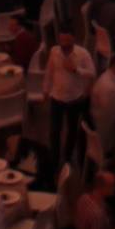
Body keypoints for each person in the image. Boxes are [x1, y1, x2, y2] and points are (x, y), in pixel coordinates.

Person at [45, 29, 96, 167]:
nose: (64, 44)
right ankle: (54, 161)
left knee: (72, 130)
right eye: (61, 41)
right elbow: (49, 71)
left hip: (74, 98)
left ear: (73, 40)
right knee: (54, 131)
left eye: (67, 41)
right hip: (57, 96)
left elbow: (92, 73)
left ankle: (67, 157)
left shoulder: (82, 54)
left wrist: (76, 69)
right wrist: (46, 89)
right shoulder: (54, 52)